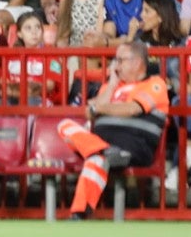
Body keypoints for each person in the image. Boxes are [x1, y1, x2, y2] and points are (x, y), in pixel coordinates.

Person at [57, 39, 170, 218]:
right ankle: (79, 212)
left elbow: (131, 109)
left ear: (137, 62)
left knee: (96, 159)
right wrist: (110, 85)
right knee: (65, 126)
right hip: (105, 146)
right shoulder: (111, 86)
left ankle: (103, 152)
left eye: (120, 60)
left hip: (133, 147)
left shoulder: (155, 84)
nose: (115, 65)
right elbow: (89, 113)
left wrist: (99, 108)